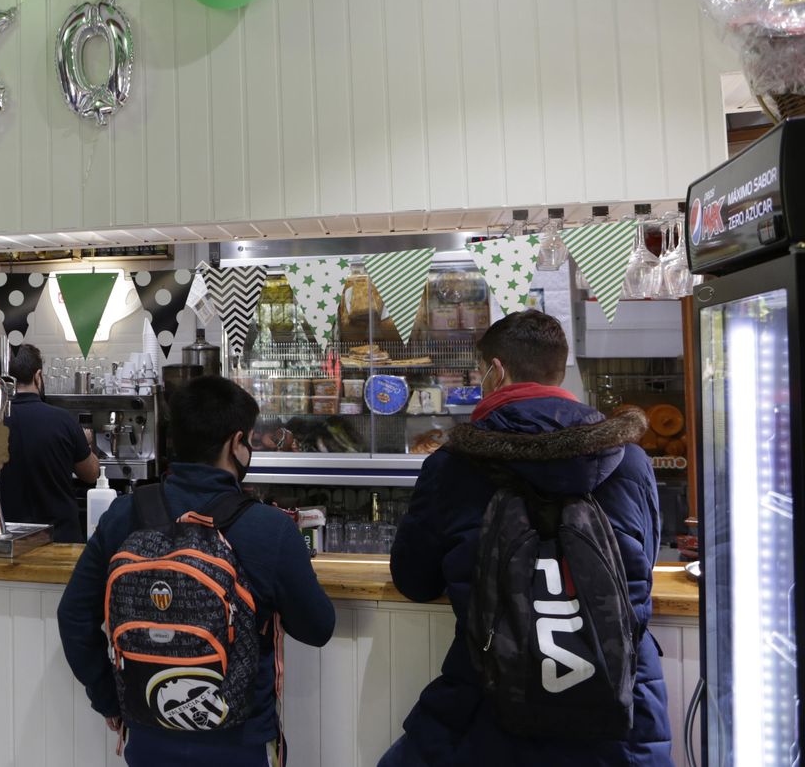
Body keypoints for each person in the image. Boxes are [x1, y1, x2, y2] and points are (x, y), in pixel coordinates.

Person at [381, 310, 671, 766]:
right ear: (559, 370)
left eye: (481, 373)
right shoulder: (629, 460)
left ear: (496, 371)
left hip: (488, 709)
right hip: (620, 718)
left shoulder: (452, 465)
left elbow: (414, 580)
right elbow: (643, 568)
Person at [58, 375, 336, 766]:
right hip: (239, 742)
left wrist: (110, 698)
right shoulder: (269, 529)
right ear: (234, 443)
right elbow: (317, 627)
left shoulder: (123, 514)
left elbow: (73, 616)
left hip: (147, 735)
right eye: (249, 442)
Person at [0, 344, 100, 541]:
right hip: (59, 535)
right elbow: (91, 474)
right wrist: (86, 443)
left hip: (9, 536)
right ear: (38, 376)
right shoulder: (63, 420)